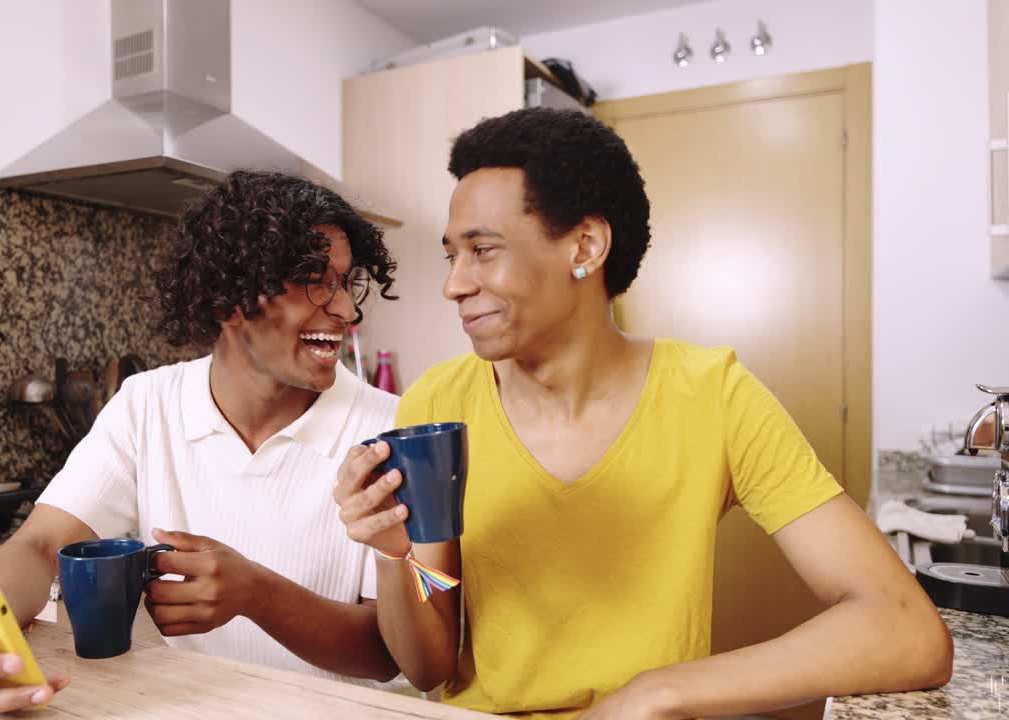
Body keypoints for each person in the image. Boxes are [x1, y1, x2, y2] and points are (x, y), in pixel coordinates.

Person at [334, 108, 953, 720]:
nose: (455, 284)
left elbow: (905, 629)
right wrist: (397, 557)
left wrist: (660, 691)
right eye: (452, 256)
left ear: (586, 245)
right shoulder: (439, 406)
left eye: (482, 250)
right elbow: (428, 666)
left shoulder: (714, 396)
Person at [0, 170, 403, 714]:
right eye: (315, 278)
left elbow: (386, 652)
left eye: (346, 281)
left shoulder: (388, 429)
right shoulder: (147, 404)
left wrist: (256, 594)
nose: (345, 311)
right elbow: (40, 544)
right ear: (228, 299)